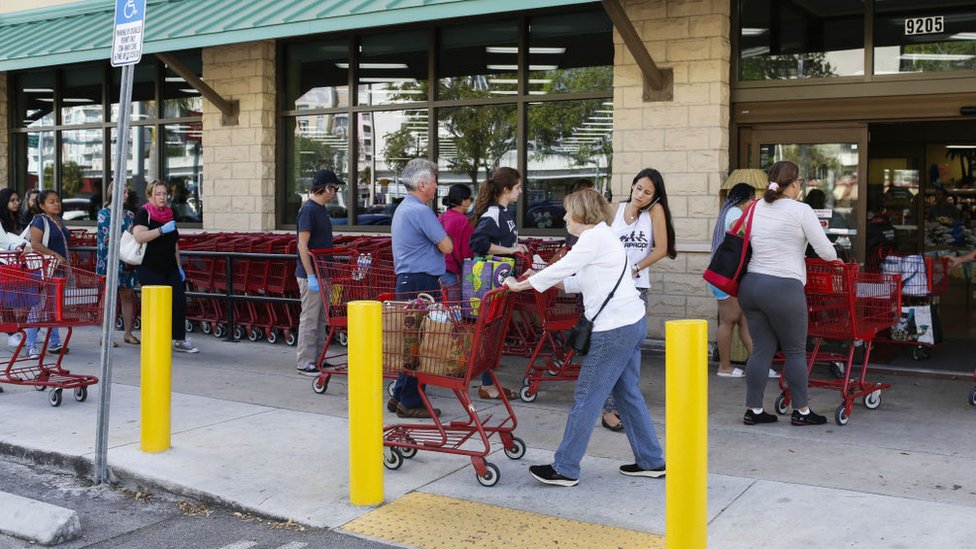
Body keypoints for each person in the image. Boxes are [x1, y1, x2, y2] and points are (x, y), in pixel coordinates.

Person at [505, 190, 665, 486]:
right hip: (630, 321)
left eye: (567, 212)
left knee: (586, 397)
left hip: (614, 329)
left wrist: (520, 285)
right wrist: (536, 278)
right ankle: (651, 460)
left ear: (580, 214)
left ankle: (565, 468)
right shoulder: (604, 236)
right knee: (627, 393)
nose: (564, 217)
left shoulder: (592, 239)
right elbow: (579, 280)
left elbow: (564, 268)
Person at [738, 161, 837, 427]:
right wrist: (835, 255)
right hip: (783, 288)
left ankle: (754, 410)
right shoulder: (801, 210)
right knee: (794, 351)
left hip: (751, 286)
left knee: (761, 350)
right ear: (794, 183)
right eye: (800, 182)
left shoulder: (756, 206)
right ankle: (802, 411)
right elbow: (827, 252)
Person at [386, 158, 453, 418]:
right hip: (421, 282)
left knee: (410, 342)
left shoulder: (405, 208)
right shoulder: (421, 211)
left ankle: (401, 393)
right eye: (434, 181)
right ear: (422, 183)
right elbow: (447, 246)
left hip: (410, 281)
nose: (436, 186)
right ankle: (411, 400)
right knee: (420, 344)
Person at [469, 167, 527, 400]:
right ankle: (487, 384)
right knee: (489, 333)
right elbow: (479, 243)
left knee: (493, 333)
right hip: (491, 282)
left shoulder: (502, 212)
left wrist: (516, 247)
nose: (521, 192)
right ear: (505, 189)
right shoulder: (493, 213)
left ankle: (489, 383)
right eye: (517, 187)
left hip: (501, 280)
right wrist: (511, 249)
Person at [131, 179, 198, 354]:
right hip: (150, 267)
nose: (162, 197)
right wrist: (160, 230)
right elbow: (138, 237)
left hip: (170, 267)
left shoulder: (169, 213)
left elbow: (174, 243)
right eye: (158, 194)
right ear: (150, 196)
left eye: (164, 194)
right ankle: (155, 342)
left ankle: (180, 340)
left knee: (178, 302)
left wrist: (179, 266)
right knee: (156, 306)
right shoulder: (143, 213)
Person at [295, 170, 340, 375]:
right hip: (311, 274)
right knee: (311, 318)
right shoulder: (309, 210)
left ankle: (318, 358)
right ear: (326, 188)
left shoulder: (320, 209)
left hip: (323, 272)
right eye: (334, 188)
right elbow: (302, 244)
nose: (335, 193)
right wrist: (310, 274)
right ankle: (305, 362)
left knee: (322, 318)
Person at [25, 190, 70, 358]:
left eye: (57, 201)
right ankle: (31, 345)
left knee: (53, 306)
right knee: (38, 306)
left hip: (58, 270)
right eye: (51, 202)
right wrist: (54, 254)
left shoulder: (58, 221)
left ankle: (54, 342)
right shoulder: (40, 220)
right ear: (42, 205)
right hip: (45, 270)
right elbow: (35, 244)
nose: (56, 204)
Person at [96, 185, 140, 347]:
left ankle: (128, 333)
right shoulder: (104, 214)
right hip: (109, 259)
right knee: (108, 298)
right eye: (123, 191)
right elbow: (110, 238)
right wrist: (127, 237)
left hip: (127, 260)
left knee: (128, 295)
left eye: (127, 191)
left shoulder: (129, 214)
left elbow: (134, 235)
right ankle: (105, 335)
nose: (127, 195)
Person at [437, 183, 474, 291]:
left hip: (437, 269)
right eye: (470, 199)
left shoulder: (441, 217)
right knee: (454, 306)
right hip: (453, 273)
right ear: (464, 201)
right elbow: (467, 253)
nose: (471, 202)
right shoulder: (465, 221)